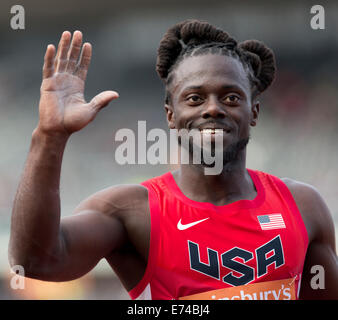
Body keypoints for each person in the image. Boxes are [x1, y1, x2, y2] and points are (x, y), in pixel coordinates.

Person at [9, 19, 338, 300]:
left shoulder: (303, 206)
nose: (212, 108)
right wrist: (49, 137)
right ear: (171, 114)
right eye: (194, 98)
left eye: (231, 96)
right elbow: (37, 262)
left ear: (253, 111)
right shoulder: (131, 212)